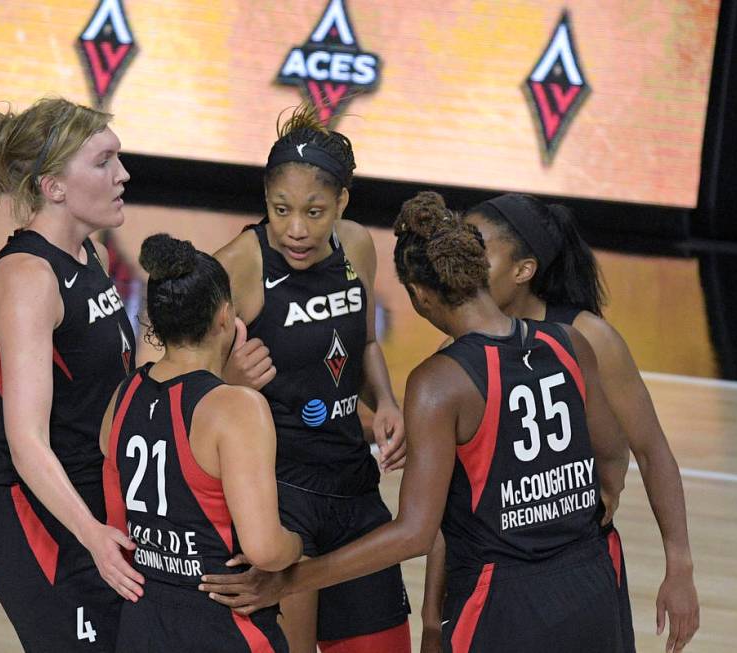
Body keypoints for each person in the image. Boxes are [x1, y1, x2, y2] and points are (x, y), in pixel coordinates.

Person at [200, 191, 632, 652]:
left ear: (421, 295)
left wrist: (289, 581)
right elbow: (612, 459)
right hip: (594, 587)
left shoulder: (440, 381)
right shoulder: (569, 343)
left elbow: (414, 533)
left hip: (504, 603)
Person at [419, 193, 699, 653]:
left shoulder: (588, 338)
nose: (463, 257)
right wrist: (433, 617)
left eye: (477, 246)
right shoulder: (458, 355)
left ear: (524, 270)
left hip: (579, 570)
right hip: (499, 582)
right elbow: (452, 508)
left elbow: (651, 452)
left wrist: (680, 566)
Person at [209, 106, 411, 652]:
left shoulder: (358, 246)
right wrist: (228, 378)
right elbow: (170, 379)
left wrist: (386, 402)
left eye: (315, 212)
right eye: (281, 210)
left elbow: (365, 341)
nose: (296, 229)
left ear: (342, 202)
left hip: (352, 481)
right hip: (279, 491)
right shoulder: (237, 265)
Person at [0, 97, 143, 651]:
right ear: (53, 187)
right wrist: (90, 535)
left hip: (105, 512)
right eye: (103, 161)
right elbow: (27, 442)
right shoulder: (28, 280)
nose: (123, 174)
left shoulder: (87, 255)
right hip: (52, 531)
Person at [101, 233, 303, 652]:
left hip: (143, 624)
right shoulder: (235, 407)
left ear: (154, 321)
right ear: (226, 316)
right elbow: (265, 549)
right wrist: (297, 544)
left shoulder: (123, 397)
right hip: (222, 625)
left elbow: (119, 528)